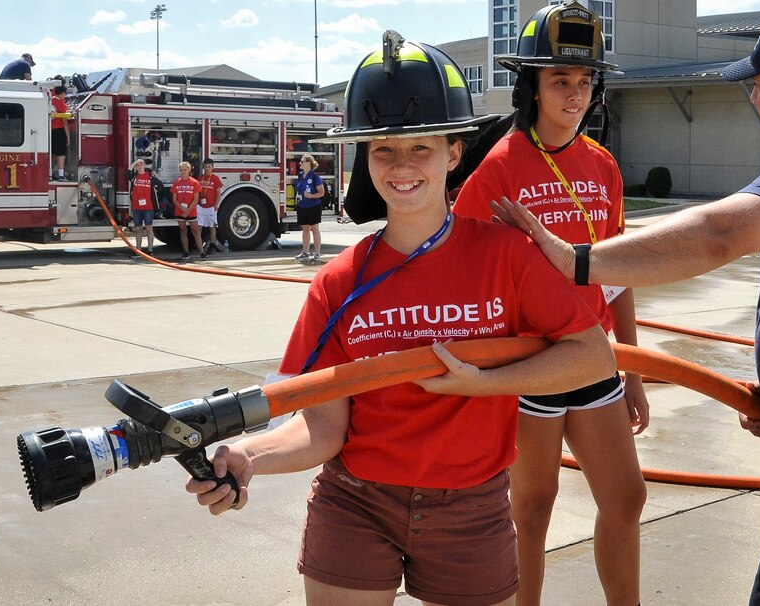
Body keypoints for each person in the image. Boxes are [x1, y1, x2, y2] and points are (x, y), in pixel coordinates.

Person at [185, 31, 616, 606]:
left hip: (471, 506)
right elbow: (321, 427)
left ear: (454, 152)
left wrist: (485, 384)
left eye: (422, 147)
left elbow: (592, 355)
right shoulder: (339, 282)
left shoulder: (507, 256)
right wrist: (247, 457)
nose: (402, 165)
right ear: (365, 157)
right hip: (356, 503)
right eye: (384, 149)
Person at [493, 9, 760, 606]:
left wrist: (576, 262)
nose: (753, 100)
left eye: (756, 88)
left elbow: (716, 234)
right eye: (560, 79)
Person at [452, 0, 647, 606]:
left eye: (585, 80)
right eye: (559, 79)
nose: (575, 93)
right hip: (529, 363)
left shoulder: (605, 166)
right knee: (532, 508)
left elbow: (617, 274)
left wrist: (633, 367)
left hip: (593, 359)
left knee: (627, 497)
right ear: (532, 86)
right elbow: (463, 274)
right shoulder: (497, 170)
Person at [171, 160, 206, 261]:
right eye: (181, 170)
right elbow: (174, 199)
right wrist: (182, 209)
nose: (183, 172)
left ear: (189, 170)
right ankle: (186, 252)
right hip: (179, 210)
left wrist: (188, 210)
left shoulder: (194, 182)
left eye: (185, 170)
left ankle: (202, 252)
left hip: (191, 211)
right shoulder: (177, 182)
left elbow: (196, 199)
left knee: (195, 231)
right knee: (183, 230)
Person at [294, 154, 325, 262]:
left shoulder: (315, 177)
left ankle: (317, 253)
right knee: (305, 229)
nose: (300, 163)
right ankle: (305, 252)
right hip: (302, 205)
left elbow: (321, 193)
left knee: (314, 228)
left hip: (313, 206)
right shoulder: (300, 175)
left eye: (302, 161)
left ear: (309, 163)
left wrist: (311, 196)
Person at [126, 158, 160, 255]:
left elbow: (160, 185)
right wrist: (133, 163)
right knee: (138, 230)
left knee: (149, 228)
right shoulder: (134, 177)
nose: (139, 166)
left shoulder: (150, 177)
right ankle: (138, 250)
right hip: (137, 208)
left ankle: (150, 250)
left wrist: (155, 192)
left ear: (144, 165)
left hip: (148, 208)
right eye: (138, 165)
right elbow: (126, 174)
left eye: (141, 164)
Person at [197, 158, 223, 253]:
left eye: (209, 167)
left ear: (212, 167)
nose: (207, 168)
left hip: (211, 206)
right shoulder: (200, 178)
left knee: (211, 226)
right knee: (199, 226)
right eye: (205, 166)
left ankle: (212, 245)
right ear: (203, 167)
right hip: (200, 206)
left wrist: (216, 204)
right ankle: (198, 244)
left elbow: (218, 193)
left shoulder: (215, 178)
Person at [49, 85, 72, 181]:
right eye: (65, 94)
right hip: (59, 130)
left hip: (50, 130)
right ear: (62, 93)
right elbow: (64, 122)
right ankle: (61, 174)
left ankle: (49, 173)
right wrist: (68, 136)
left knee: (52, 153)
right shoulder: (61, 104)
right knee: (61, 154)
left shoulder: (50, 101)